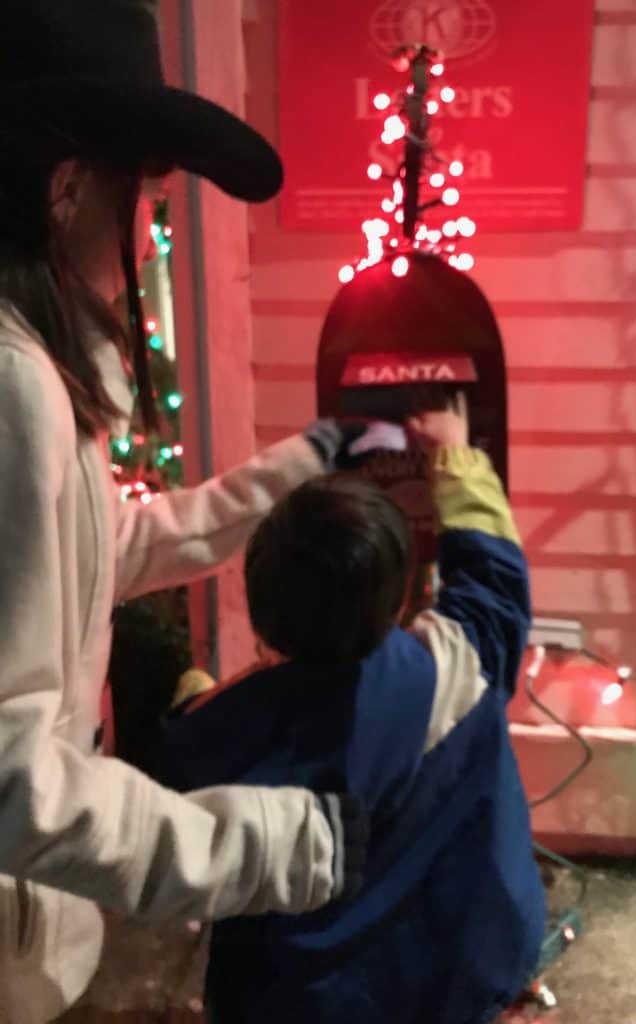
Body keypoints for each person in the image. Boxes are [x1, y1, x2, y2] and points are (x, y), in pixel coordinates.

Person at [0, 3, 367, 1022]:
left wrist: (307, 461)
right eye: (147, 201)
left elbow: (102, 550)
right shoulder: (13, 389)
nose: (150, 235)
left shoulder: (37, 372)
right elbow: (9, 774)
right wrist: (272, 844)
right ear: (69, 189)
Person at [162, 395, 548, 1024]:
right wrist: (455, 453)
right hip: (464, 977)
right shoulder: (456, 667)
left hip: (299, 1004)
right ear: (400, 602)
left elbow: (177, 791)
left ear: (262, 613)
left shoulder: (212, 736)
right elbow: (494, 578)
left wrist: (196, 692)